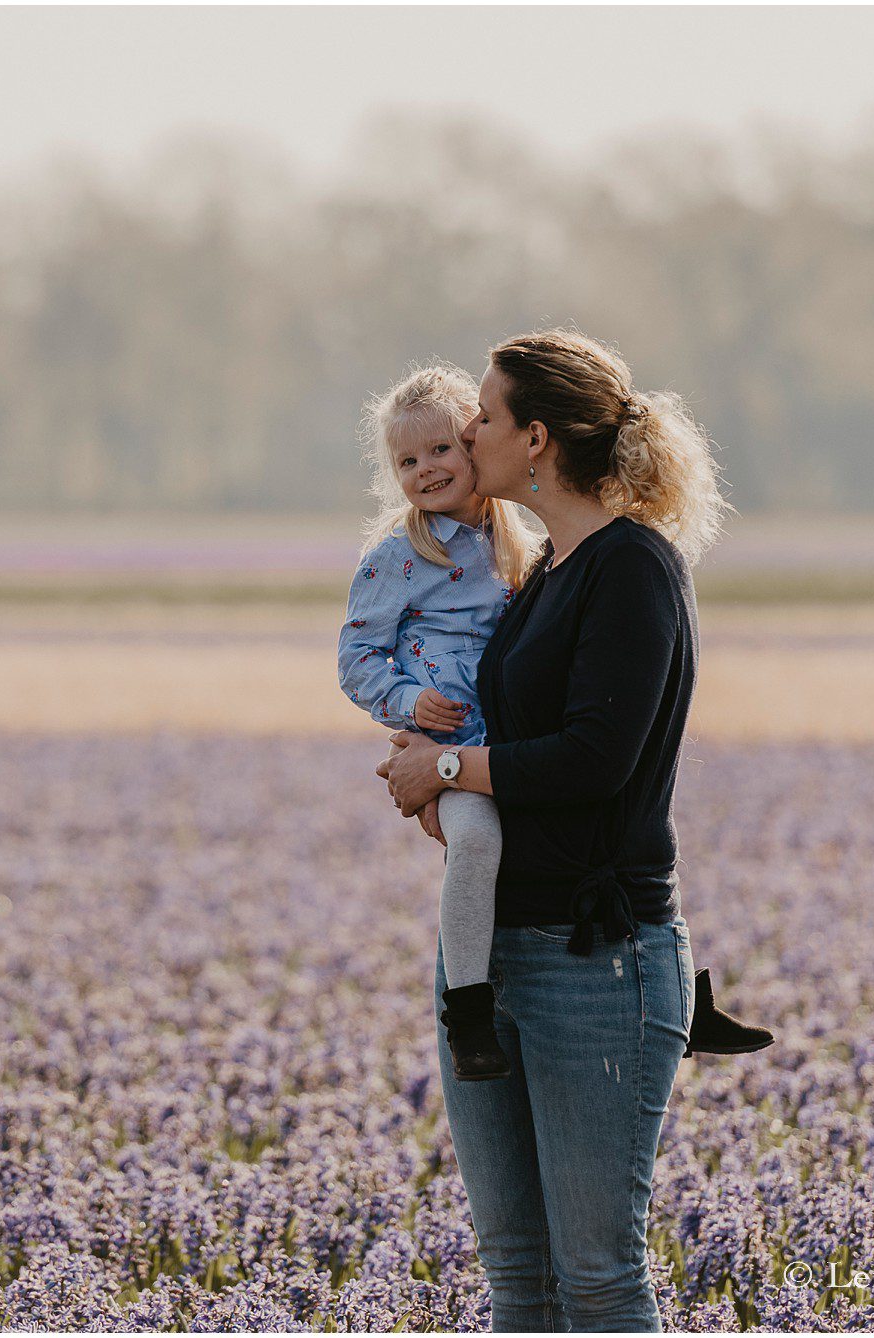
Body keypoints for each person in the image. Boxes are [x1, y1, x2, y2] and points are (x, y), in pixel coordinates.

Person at [376, 330, 770, 1331]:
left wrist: (454, 769)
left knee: (595, 1281)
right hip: (494, 951)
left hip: (595, 964)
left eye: (486, 415)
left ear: (536, 440)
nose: (466, 431)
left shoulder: (630, 568)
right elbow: (510, 740)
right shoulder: (547, 571)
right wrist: (427, 757)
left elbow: (597, 757)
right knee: (517, 1283)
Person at [338, 365, 539, 1081]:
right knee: (478, 843)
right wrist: (406, 705)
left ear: (476, 444)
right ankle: (468, 1009)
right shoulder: (399, 554)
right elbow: (356, 657)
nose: (425, 471)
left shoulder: (521, 544)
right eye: (406, 461)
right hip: (449, 743)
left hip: (514, 740)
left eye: (441, 451)